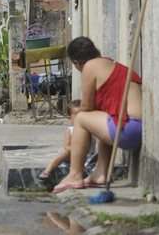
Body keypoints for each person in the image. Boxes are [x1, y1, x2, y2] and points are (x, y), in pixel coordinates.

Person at [52, 37, 143, 194]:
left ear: (76, 62)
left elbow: (86, 107)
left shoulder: (89, 66)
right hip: (138, 129)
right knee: (100, 118)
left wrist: (75, 115)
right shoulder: (110, 64)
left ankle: (74, 175)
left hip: (127, 129)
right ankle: (100, 173)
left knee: (81, 119)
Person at [38, 100, 81, 180]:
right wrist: (76, 150)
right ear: (70, 117)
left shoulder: (89, 129)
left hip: (85, 155)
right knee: (64, 152)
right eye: (76, 115)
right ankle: (48, 170)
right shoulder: (70, 130)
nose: (79, 118)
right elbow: (66, 146)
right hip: (71, 155)